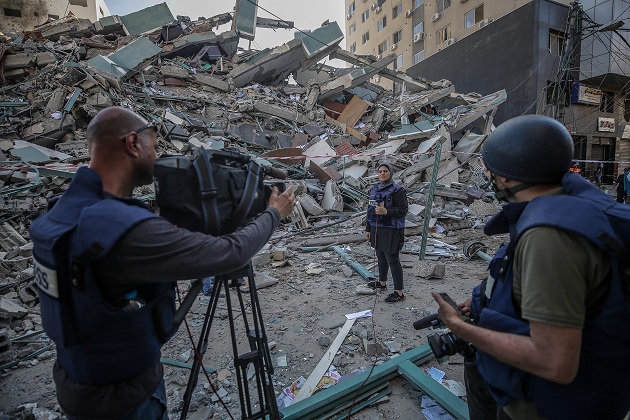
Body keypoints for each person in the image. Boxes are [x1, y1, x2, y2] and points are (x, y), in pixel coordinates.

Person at [29, 107, 295, 419]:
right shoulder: (123, 228)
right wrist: (274, 212)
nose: (157, 158)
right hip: (126, 401)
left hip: (79, 387)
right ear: (133, 143)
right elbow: (230, 253)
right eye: (154, 147)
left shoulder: (64, 211)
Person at [431, 115, 630, 419]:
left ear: (508, 177)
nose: (490, 176)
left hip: (543, 406)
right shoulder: (571, 203)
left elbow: (555, 362)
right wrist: (485, 302)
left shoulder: (549, 237)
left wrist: (460, 328)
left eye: (492, 170)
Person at [365, 162, 409, 303]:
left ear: (390, 173)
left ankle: (399, 292)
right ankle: (382, 282)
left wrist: (387, 211)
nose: (382, 173)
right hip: (376, 228)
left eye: (385, 171)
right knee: (380, 255)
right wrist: (368, 228)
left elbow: (403, 210)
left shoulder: (397, 190)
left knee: (392, 259)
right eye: (380, 171)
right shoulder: (375, 189)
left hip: (392, 229)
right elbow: (370, 210)